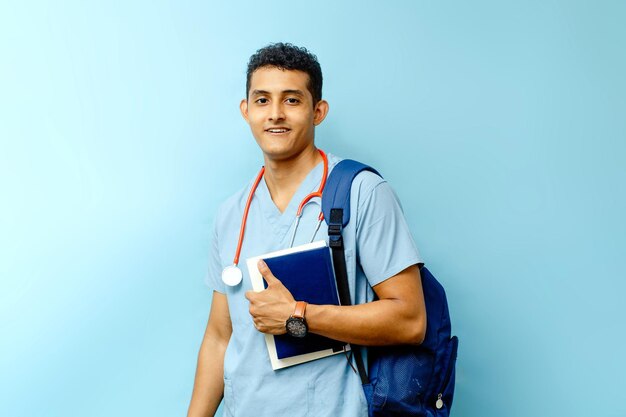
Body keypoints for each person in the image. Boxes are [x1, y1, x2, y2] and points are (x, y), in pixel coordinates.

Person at [187, 42, 427, 417]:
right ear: (246, 110)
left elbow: (410, 320)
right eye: (263, 100)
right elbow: (220, 337)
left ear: (318, 111)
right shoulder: (232, 213)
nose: (276, 114)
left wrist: (298, 315)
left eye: (292, 100)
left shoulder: (361, 192)